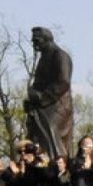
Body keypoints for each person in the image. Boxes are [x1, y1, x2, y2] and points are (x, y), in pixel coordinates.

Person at [25, 27, 73, 160]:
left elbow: (63, 81)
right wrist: (32, 97)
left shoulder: (60, 56)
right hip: (43, 105)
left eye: (37, 40)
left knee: (50, 128)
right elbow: (39, 83)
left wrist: (42, 97)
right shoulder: (43, 59)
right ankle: (38, 163)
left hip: (58, 104)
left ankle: (57, 162)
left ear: (47, 40)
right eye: (33, 41)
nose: (34, 44)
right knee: (35, 130)